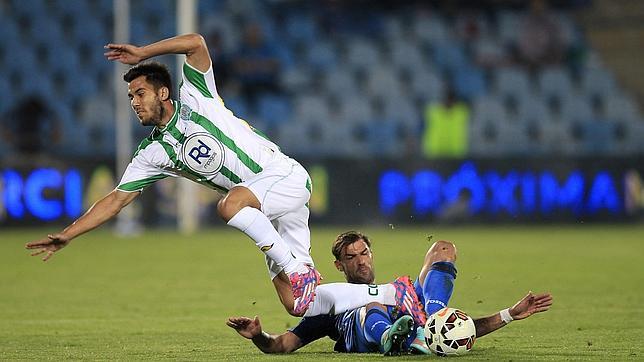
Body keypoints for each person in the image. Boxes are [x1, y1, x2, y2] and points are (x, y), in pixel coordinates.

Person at [24, 33, 415, 318]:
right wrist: (68, 235)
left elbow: (195, 42)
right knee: (299, 305)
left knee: (229, 205)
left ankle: (300, 269)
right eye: (130, 98)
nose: (134, 103)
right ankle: (394, 293)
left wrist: (143, 52)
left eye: (139, 93)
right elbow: (115, 200)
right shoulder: (153, 153)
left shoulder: (195, 94)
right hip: (267, 209)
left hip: (284, 177)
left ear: (163, 93)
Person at [227, 231, 553, 355]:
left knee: (442, 248)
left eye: (364, 253)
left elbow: (456, 331)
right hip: (363, 327)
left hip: (415, 324)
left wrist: (510, 313)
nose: (361, 261)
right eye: (351, 258)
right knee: (370, 306)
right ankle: (393, 340)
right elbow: (282, 346)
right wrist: (258, 336)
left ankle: (419, 332)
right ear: (339, 266)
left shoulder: (400, 297)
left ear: (372, 253)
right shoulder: (329, 308)